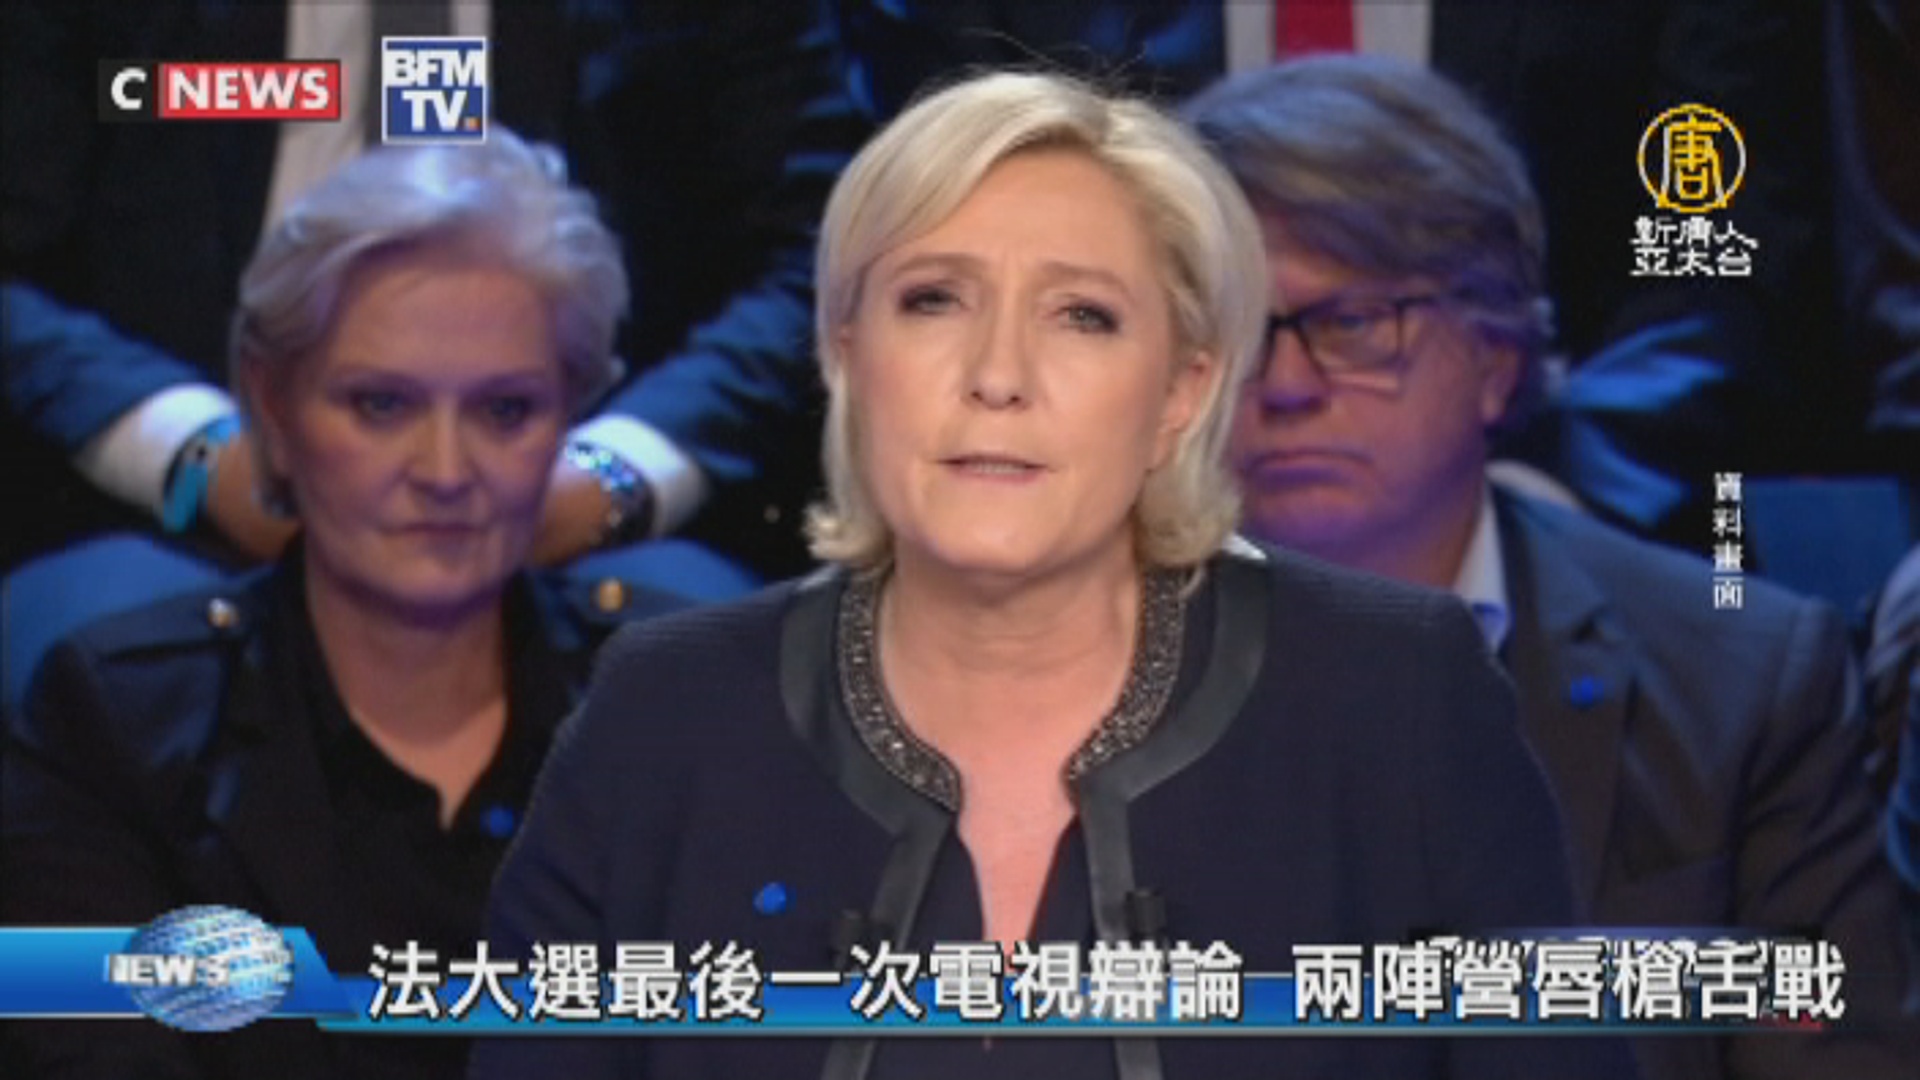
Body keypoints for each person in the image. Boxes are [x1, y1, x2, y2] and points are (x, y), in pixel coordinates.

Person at [471, 70, 1636, 1080]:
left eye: (1082, 315)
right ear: (847, 355)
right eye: (934, 301)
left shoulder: (1399, 697)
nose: (998, 375)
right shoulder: (663, 715)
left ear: (1181, 389)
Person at [1182, 54, 1918, 1080]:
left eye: (1352, 325)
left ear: (1495, 357)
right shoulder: (1057, 660)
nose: (1289, 385)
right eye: (1236, 333)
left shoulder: (1744, 683)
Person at [0, 132, 683, 1080]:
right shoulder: (112, 724)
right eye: (380, 405)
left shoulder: (688, 706)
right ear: (273, 410)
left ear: (570, 418)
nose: (445, 471)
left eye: (505, 411)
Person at [1, 0, 855, 581]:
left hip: (589, 517)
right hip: (179, 518)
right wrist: (193, 454)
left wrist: (614, 473)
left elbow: (827, 251)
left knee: (689, 666)